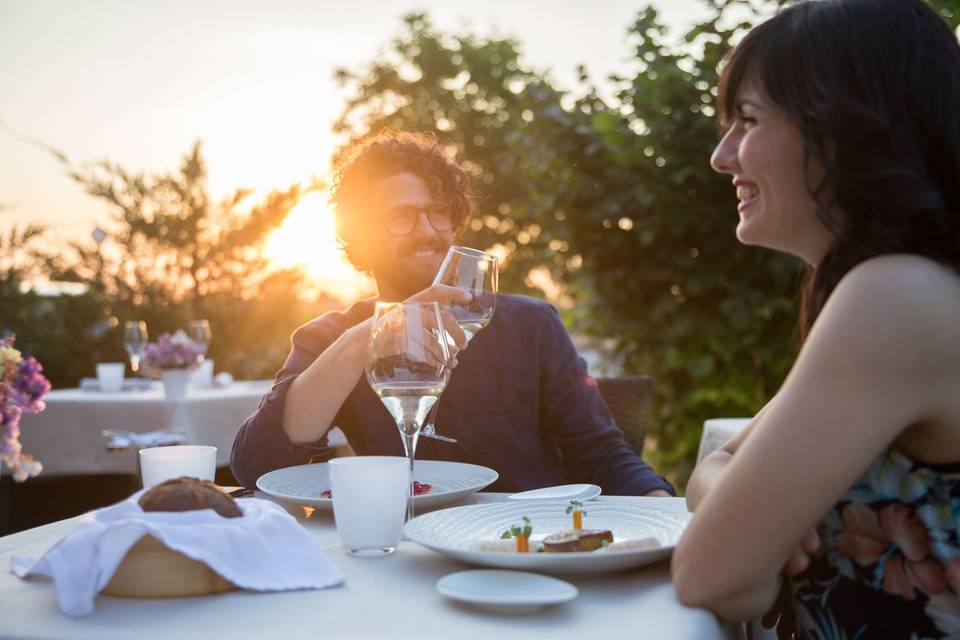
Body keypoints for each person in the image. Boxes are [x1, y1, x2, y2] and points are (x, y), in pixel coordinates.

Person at [671, 0, 960, 637]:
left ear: (849, 127)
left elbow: (711, 577)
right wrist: (741, 514)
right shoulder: (906, 286)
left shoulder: (899, 296)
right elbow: (716, 468)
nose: (722, 156)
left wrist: (753, 539)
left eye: (747, 119)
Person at [231, 130, 674, 497]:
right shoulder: (333, 338)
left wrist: (665, 513)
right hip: (401, 555)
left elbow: (604, 455)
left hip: (521, 549)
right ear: (361, 235)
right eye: (401, 217)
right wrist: (375, 333)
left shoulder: (531, 326)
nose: (426, 230)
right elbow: (257, 467)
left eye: (437, 213)